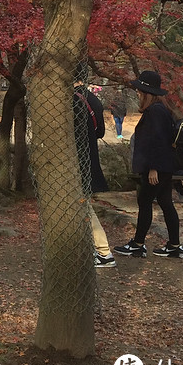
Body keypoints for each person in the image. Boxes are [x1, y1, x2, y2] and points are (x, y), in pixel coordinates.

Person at [114, 70, 183, 259]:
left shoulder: (155, 112)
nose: (137, 94)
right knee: (165, 203)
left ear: (147, 93)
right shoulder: (161, 110)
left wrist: (153, 167)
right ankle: (174, 245)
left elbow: (158, 140)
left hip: (157, 167)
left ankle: (138, 244)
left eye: (139, 91)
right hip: (164, 165)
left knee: (145, 202)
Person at [72, 64, 114, 268]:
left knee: (83, 206)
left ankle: (104, 251)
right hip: (91, 158)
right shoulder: (93, 99)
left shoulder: (72, 101)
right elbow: (100, 132)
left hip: (77, 162)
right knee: (81, 205)